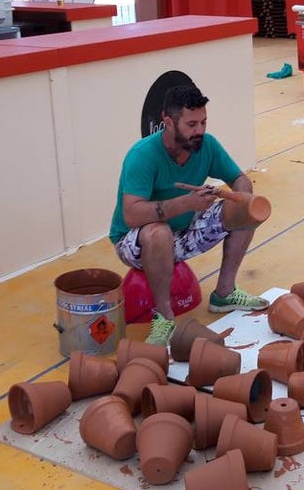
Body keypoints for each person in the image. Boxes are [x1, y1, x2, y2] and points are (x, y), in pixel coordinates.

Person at [109, 84, 268, 344]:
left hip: (182, 232)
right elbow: (131, 215)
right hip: (134, 241)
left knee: (245, 210)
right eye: (192, 124)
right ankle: (165, 318)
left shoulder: (208, 145)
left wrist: (242, 196)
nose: (200, 131)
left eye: (204, 122)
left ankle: (224, 293)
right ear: (168, 122)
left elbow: (239, 178)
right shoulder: (142, 155)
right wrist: (187, 203)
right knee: (158, 232)